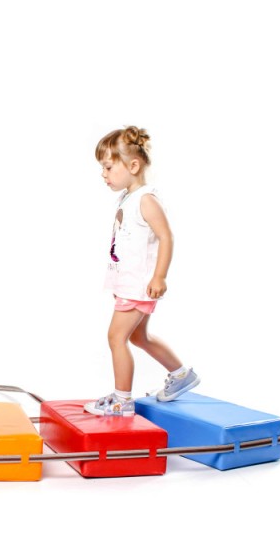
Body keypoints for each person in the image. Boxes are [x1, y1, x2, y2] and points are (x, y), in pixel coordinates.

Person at [85, 126, 199, 417]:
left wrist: (159, 276)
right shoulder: (128, 197)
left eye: (108, 167)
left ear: (133, 166)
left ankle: (122, 399)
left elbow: (166, 237)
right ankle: (181, 374)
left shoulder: (146, 199)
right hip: (130, 285)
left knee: (116, 338)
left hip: (139, 286)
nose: (104, 174)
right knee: (138, 337)